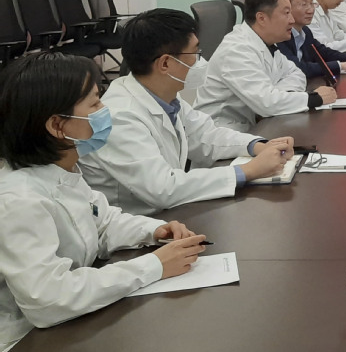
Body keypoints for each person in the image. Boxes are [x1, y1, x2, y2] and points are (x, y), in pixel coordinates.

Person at [0, 53, 206, 350]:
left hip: (73, 324)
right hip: (24, 339)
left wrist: (153, 231)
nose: (105, 110)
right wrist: (154, 265)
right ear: (57, 125)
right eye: (95, 103)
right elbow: (47, 299)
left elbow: (102, 220)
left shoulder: (61, 169)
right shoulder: (17, 200)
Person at [79, 9, 294, 216]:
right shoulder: (120, 116)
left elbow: (206, 135)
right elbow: (163, 188)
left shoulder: (164, 95)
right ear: (165, 63)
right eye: (195, 53)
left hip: (169, 216)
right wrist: (248, 171)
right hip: (138, 225)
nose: (201, 61)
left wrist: (258, 145)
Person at [195, 0, 338, 130]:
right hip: (221, 132)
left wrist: (279, 94)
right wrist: (314, 98)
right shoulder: (236, 50)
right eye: (286, 13)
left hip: (256, 125)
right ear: (261, 18)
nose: (292, 20)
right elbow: (267, 104)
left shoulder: (268, 44)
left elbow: (297, 73)